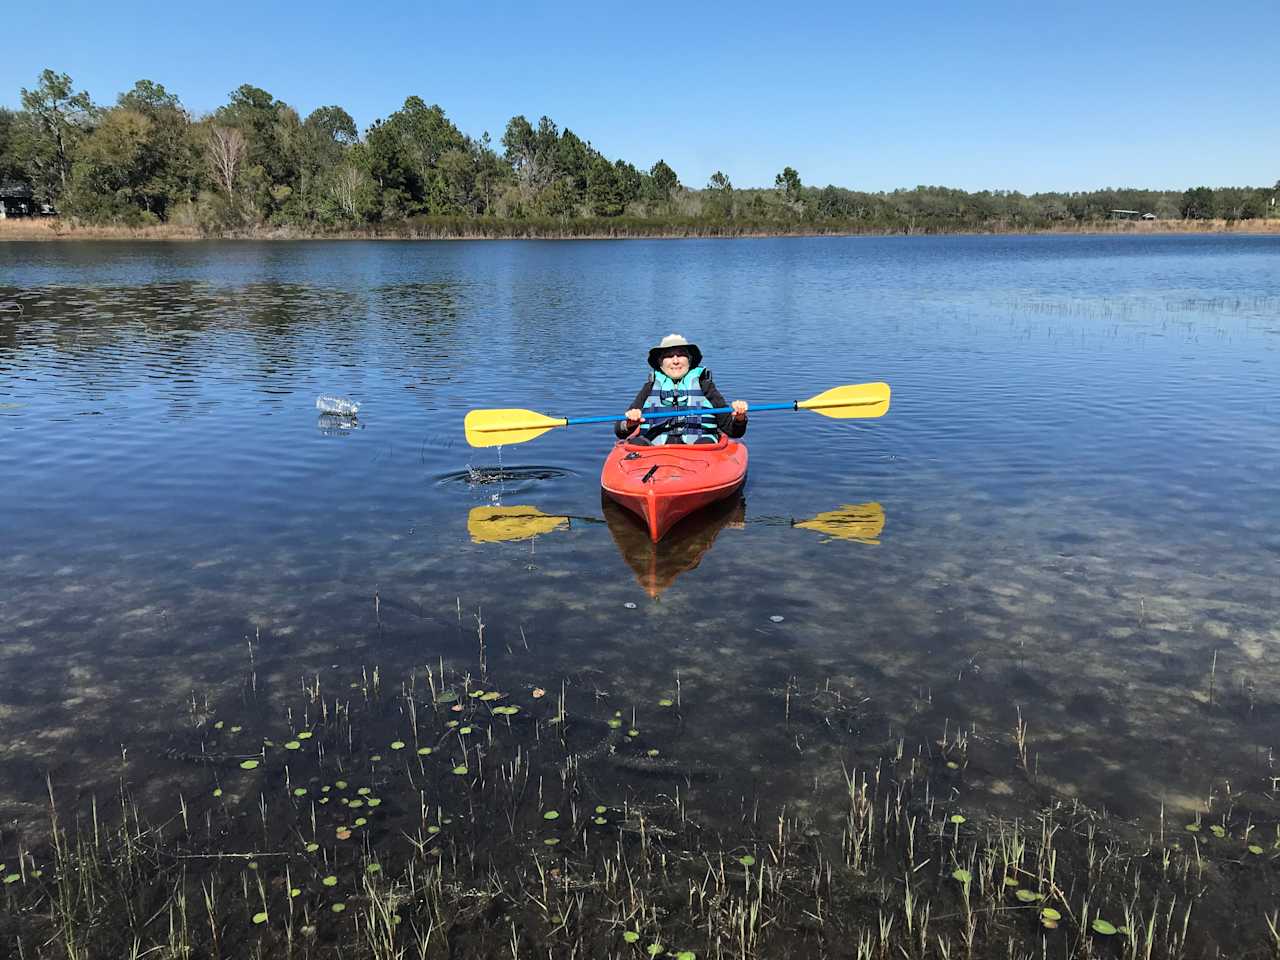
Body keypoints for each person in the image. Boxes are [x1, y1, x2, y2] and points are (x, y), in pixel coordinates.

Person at [615, 334, 748, 445]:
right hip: (656, 450)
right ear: (660, 363)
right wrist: (630, 423)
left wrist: (740, 418)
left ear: (689, 361)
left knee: (705, 443)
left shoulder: (705, 386)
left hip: (701, 448)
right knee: (637, 444)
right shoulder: (649, 388)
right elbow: (620, 430)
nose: (675, 361)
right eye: (669, 355)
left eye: (680, 354)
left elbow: (733, 431)